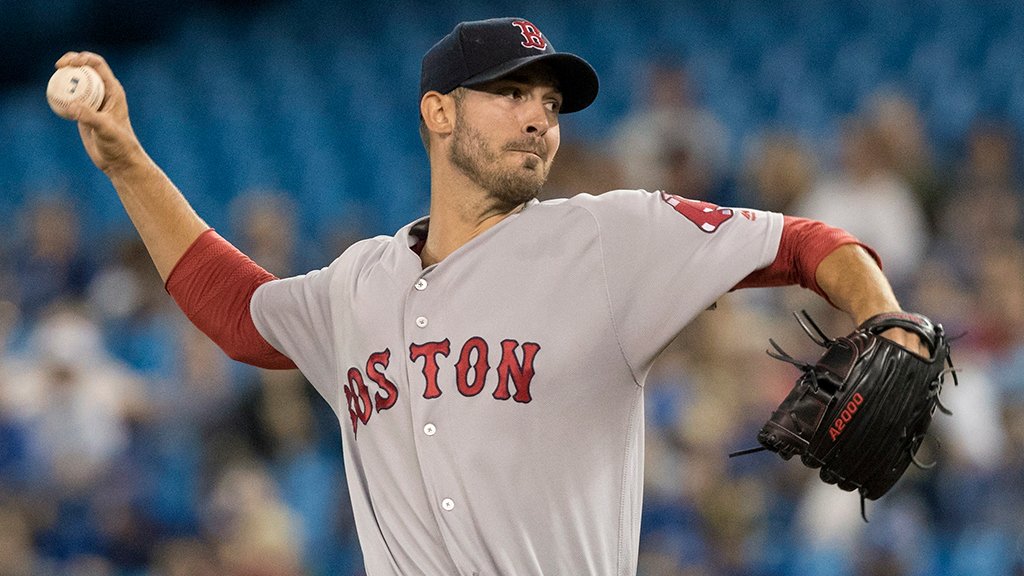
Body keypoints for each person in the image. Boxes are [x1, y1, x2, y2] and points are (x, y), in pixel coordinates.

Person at [56, 17, 925, 575]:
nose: (540, 116)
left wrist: (888, 321)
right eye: (510, 94)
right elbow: (239, 313)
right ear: (438, 113)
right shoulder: (357, 282)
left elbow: (809, 243)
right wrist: (127, 162)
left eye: (549, 102)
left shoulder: (607, 235)